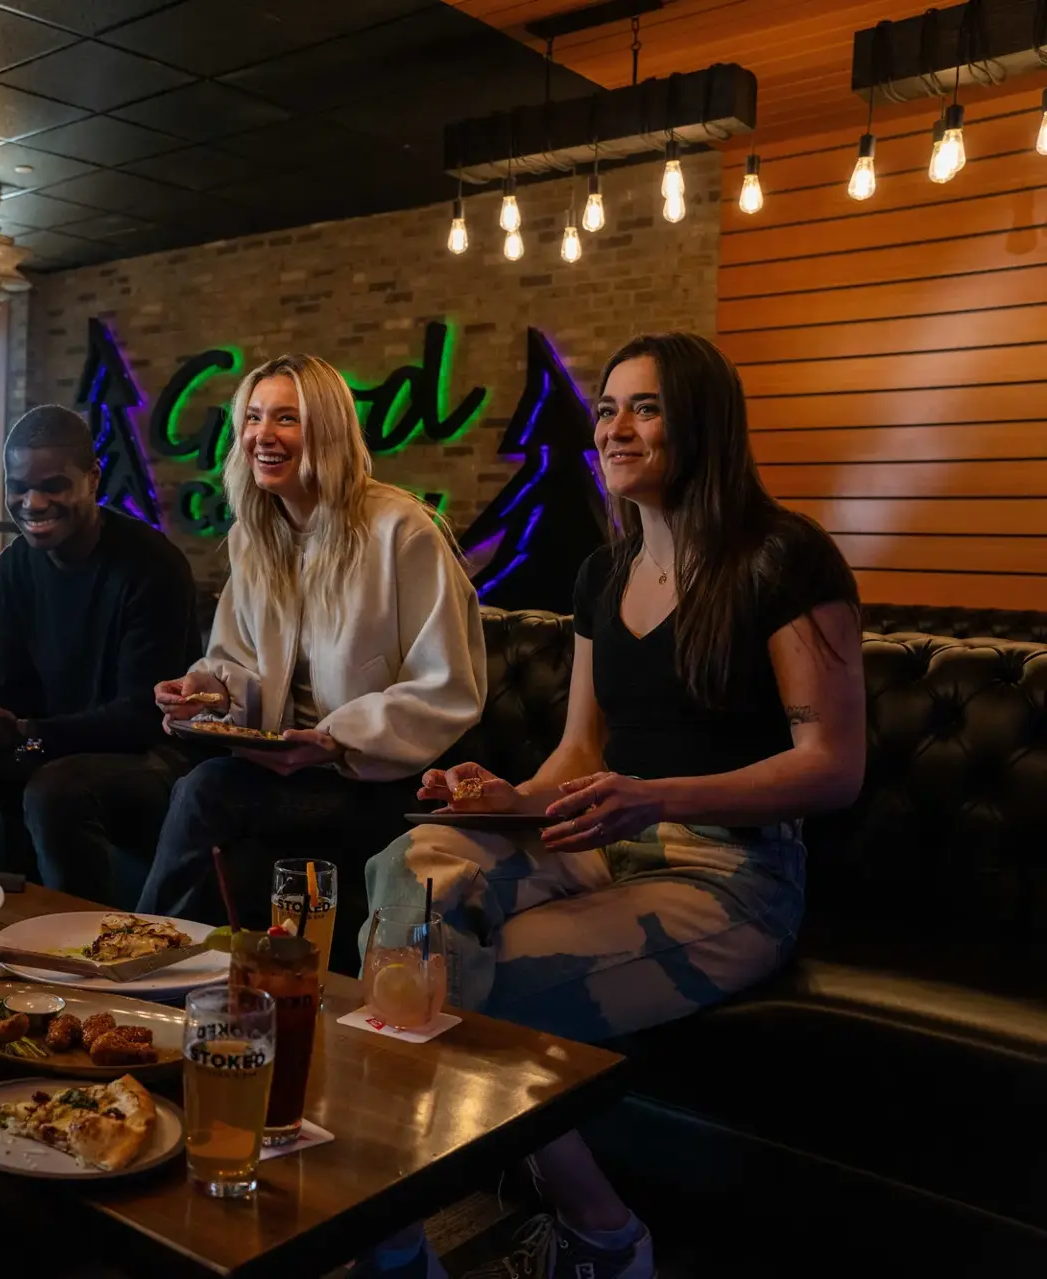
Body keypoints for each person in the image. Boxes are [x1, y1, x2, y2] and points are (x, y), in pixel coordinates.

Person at [359, 333, 865, 1279]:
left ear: (703, 422)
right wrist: (507, 799)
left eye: (646, 407)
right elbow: (582, 753)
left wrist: (655, 797)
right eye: (606, 408)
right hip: (599, 838)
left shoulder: (784, 558)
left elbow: (832, 766)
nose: (615, 428)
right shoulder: (605, 572)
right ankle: (401, 1225)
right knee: (408, 874)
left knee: (470, 985)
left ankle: (583, 1235)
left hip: (732, 874)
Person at [142, 353, 488, 967]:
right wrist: (205, 692)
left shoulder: (401, 529)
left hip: (382, 780)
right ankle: (186, 976)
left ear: (327, 430)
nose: (262, 436)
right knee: (204, 789)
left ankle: (142, 960)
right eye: (252, 418)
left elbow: (446, 688)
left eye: (287, 418)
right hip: (291, 770)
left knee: (205, 791)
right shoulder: (256, 533)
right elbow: (236, 664)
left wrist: (334, 740)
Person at [0, 405, 200, 905]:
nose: (32, 502)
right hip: (44, 745)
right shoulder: (13, 569)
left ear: (93, 478)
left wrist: (29, 733)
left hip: (148, 757)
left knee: (56, 789)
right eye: (18, 487)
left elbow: (142, 714)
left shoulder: (152, 567)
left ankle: (80, 947)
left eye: (53, 486)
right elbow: (6, 685)